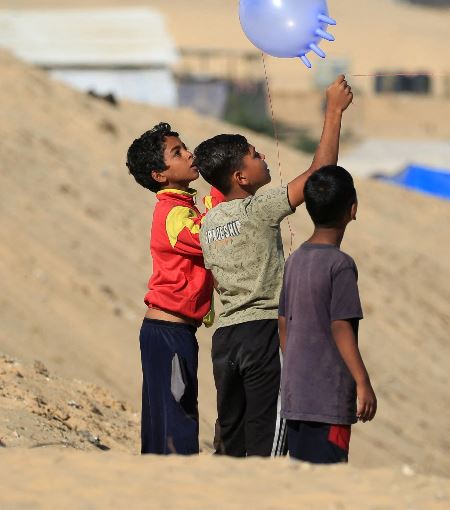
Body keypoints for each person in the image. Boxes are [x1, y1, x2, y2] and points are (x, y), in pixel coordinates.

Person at [195, 74, 353, 457]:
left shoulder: (208, 222)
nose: (263, 156)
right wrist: (333, 112)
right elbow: (319, 176)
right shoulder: (257, 208)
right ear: (241, 177)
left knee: (231, 436)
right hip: (264, 333)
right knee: (268, 440)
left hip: (225, 341)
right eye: (254, 154)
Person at [125, 122, 214, 455]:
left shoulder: (183, 206)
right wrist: (221, 198)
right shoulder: (173, 212)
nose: (190, 154)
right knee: (177, 419)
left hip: (172, 331)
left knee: (167, 418)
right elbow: (207, 238)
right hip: (168, 331)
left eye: (184, 147)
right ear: (159, 174)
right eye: (177, 153)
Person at [278, 165, 376, 464]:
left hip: (295, 395)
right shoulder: (340, 265)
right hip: (328, 397)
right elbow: (341, 326)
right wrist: (363, 381)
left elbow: (283, 322)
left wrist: (296, 364)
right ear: (353, 209)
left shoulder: (295, 260)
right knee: (327, 473)